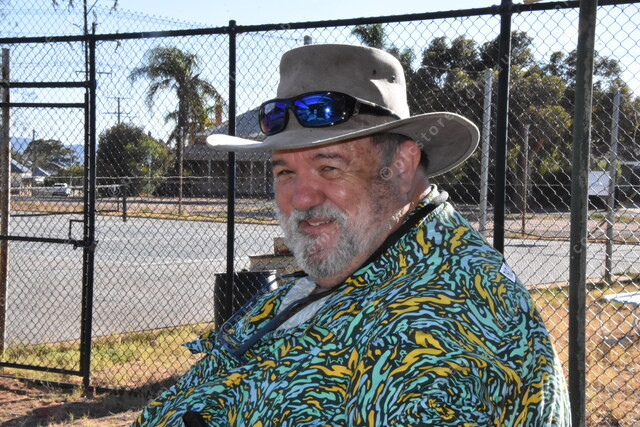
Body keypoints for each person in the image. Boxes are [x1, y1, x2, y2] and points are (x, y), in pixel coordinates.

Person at [134, 44, 569, 426]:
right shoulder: (361, 262)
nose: (300, 198)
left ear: (401, 167)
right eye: (284, 172)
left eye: (329, 168)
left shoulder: (444, 320)